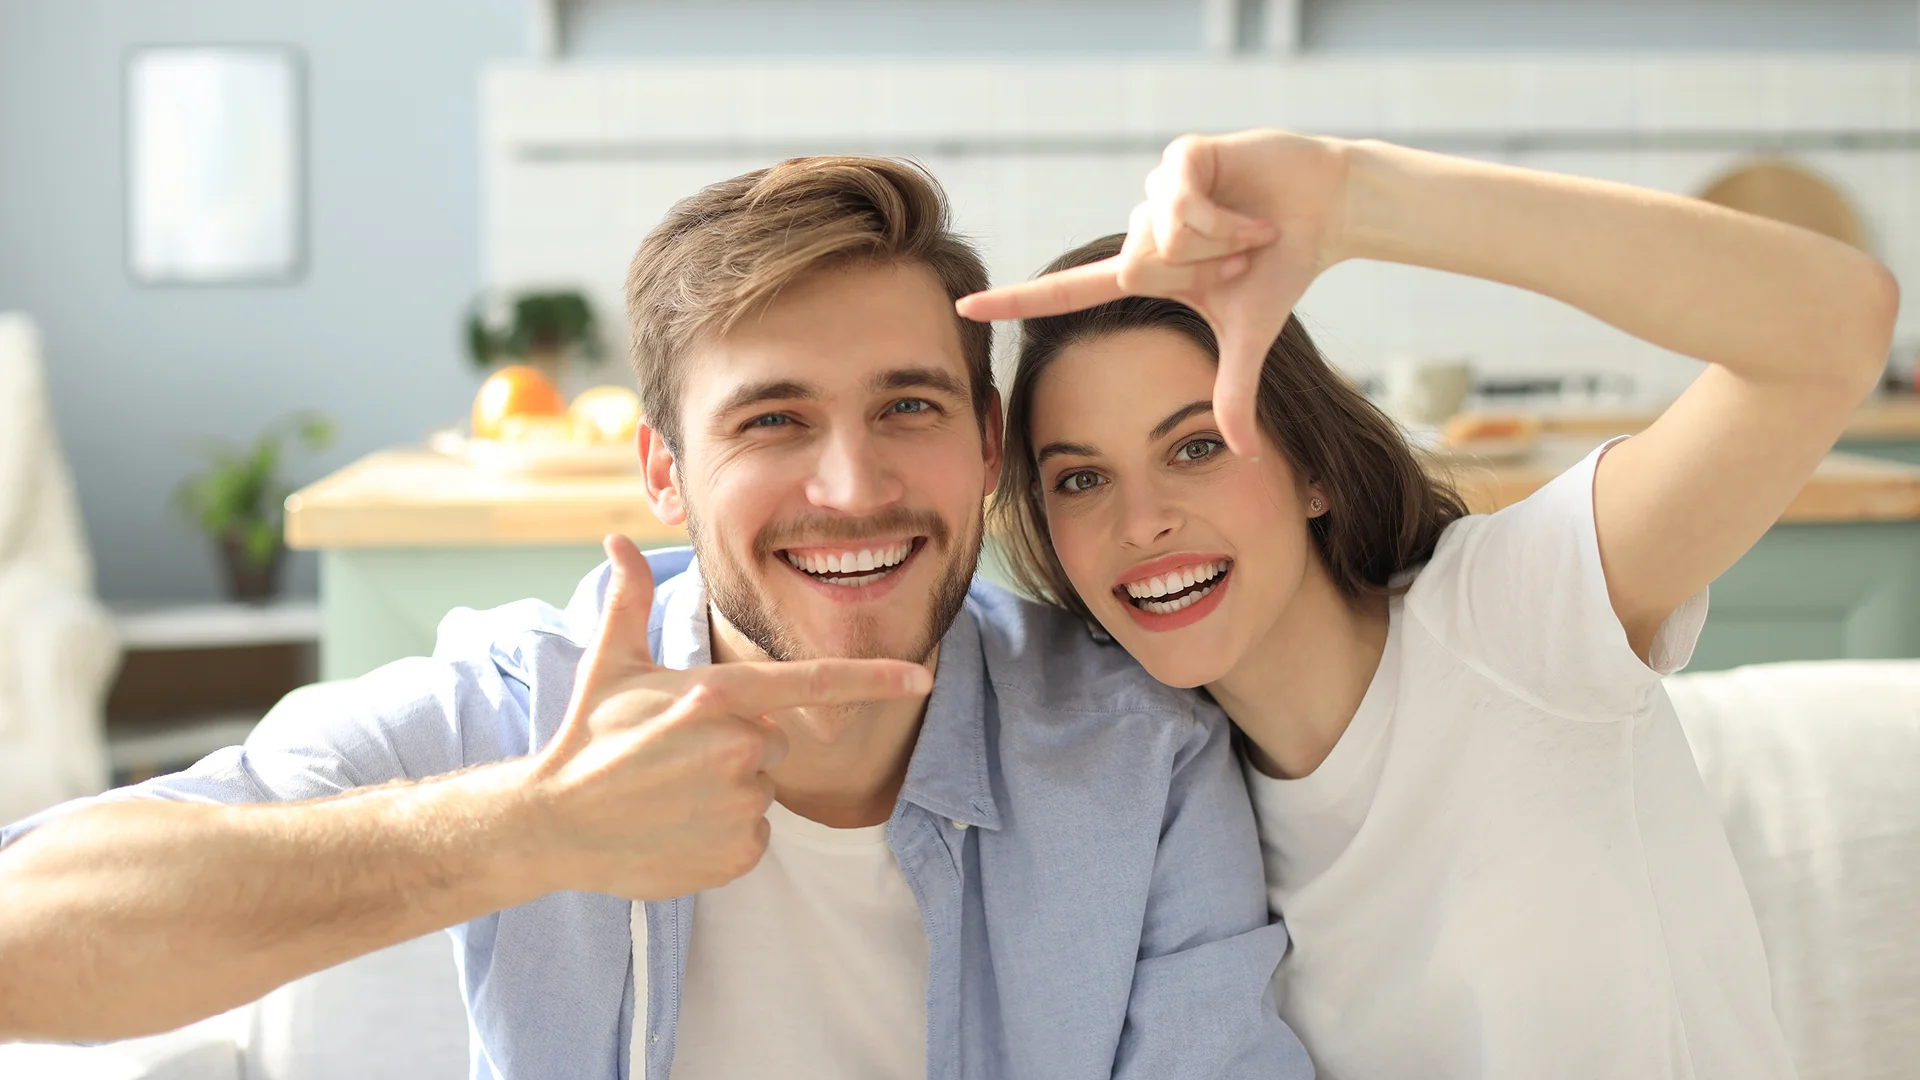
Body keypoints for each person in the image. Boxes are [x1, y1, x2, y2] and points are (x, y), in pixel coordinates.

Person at [0, 157, 1311, 1080]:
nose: (851, 488)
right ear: (665, 473)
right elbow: (23, 948)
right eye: (772, 419)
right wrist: (525, 830)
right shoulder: (516, 716)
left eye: (907, 406)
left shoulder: (1142, 757)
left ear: (986, 442)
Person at [963, 129, 1897, 1080]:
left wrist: (1357, 196)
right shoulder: (1166, 799)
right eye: (1081, 479)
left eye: (1196, 446)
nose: (1142, 522)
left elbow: (1838, 325)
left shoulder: (1514, 615)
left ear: (1314, 470)